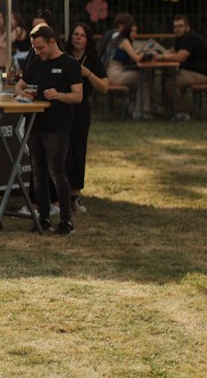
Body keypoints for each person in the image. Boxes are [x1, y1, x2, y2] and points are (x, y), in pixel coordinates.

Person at [18, 24, 83, 235]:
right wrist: (23, 92)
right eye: (35, 48)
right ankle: (43, 217)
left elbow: (77, 96)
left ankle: (66, 221)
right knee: (38, 172)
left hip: (57, 126)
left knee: (57, 172)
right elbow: (20, 84)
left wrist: (59, 95)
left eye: (40, 48)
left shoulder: (69, 64)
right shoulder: (36, 61)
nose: (37, 52)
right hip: (35, 124)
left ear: (52, 41)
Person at [64, 22, 108, 211]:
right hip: (63, 105)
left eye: (82, 35)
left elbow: (105, 87)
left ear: (88, 39)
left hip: (82, 108)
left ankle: (75, 194)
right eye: (75, 34)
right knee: (63, 149)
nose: (78, 37)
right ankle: (60, 192)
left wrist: (88, 73)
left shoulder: (92, 60)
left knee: (78, 148)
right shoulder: (63, 56)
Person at [164, 13, 207, 119]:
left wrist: (160, 57)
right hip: (192, 71)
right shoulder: (180, 38)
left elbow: (180, 58)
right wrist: (161, 53)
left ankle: (182, 113)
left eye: (180, 26)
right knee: (167, 76)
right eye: (175, 26)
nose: (177, 29)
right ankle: (169, 108)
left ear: (187, 27)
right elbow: (171, 51)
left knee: (171, 83)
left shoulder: (191, 37)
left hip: (203, 74)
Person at [105, 15, 152, 117]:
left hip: (113, 73)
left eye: (136, 31)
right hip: (115, 74)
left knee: (143, 83)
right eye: (133, 31)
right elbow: (136, 58)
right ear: (127, 31)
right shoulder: (124, 41)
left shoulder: (119, 39)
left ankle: (139, 110)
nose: (135, 34)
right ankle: (140, 111)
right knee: (145, 75)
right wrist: (145, 51)